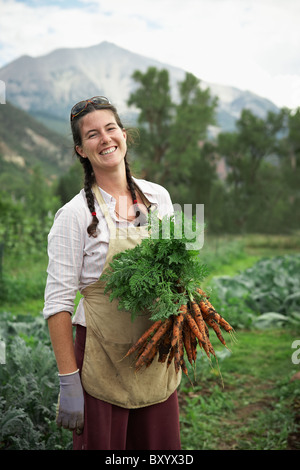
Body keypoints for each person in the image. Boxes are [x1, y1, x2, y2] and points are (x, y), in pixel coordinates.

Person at [43, 96, 182, 450]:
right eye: (92, 135)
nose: (104, 139)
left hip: (153, 352)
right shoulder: (74, 216)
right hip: (99, 360)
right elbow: (58, 304)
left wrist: (183, 316)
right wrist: (68, 380)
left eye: (110, 129)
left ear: (123, 134)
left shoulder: (157, 197)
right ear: (81, 150)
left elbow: (177, 272)